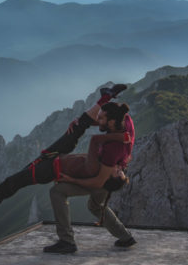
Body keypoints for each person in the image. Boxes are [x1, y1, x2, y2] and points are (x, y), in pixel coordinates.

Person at [0, 83, 130, 228]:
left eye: (119, 173)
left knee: (10, 184)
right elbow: (114, 132)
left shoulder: (103, 164)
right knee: (79, 124)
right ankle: (107, 96)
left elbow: (96, 174)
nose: (120, 169)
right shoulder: (118, 151)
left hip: (51, 168)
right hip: (59, 155)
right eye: (122, 169)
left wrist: (122, 137)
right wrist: (117, 137)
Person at [45, 101, 136, 254]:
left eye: (101, 119)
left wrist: (70, 180)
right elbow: (110, 125)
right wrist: (84, 123)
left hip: (101, 179)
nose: (98, 121)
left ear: (112, 122)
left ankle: (66, 241)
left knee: (57, 192)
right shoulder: (125, 120)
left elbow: (98, 182)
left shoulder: (111, 151)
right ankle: (125, 237)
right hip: (104, 174)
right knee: (96, 206)